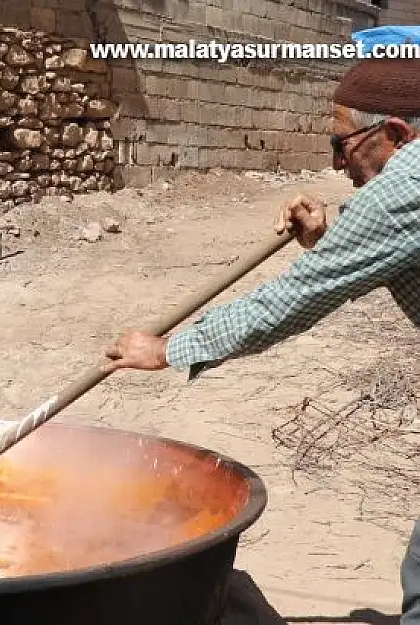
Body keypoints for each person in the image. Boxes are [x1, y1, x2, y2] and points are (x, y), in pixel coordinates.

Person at [101, 57, 420, 623]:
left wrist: (169, 349)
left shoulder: (405, 188)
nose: (335, 163)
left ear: (395, 133)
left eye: (341, 145)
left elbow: (288, 302)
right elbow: (379, 251)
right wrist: (328, 236)